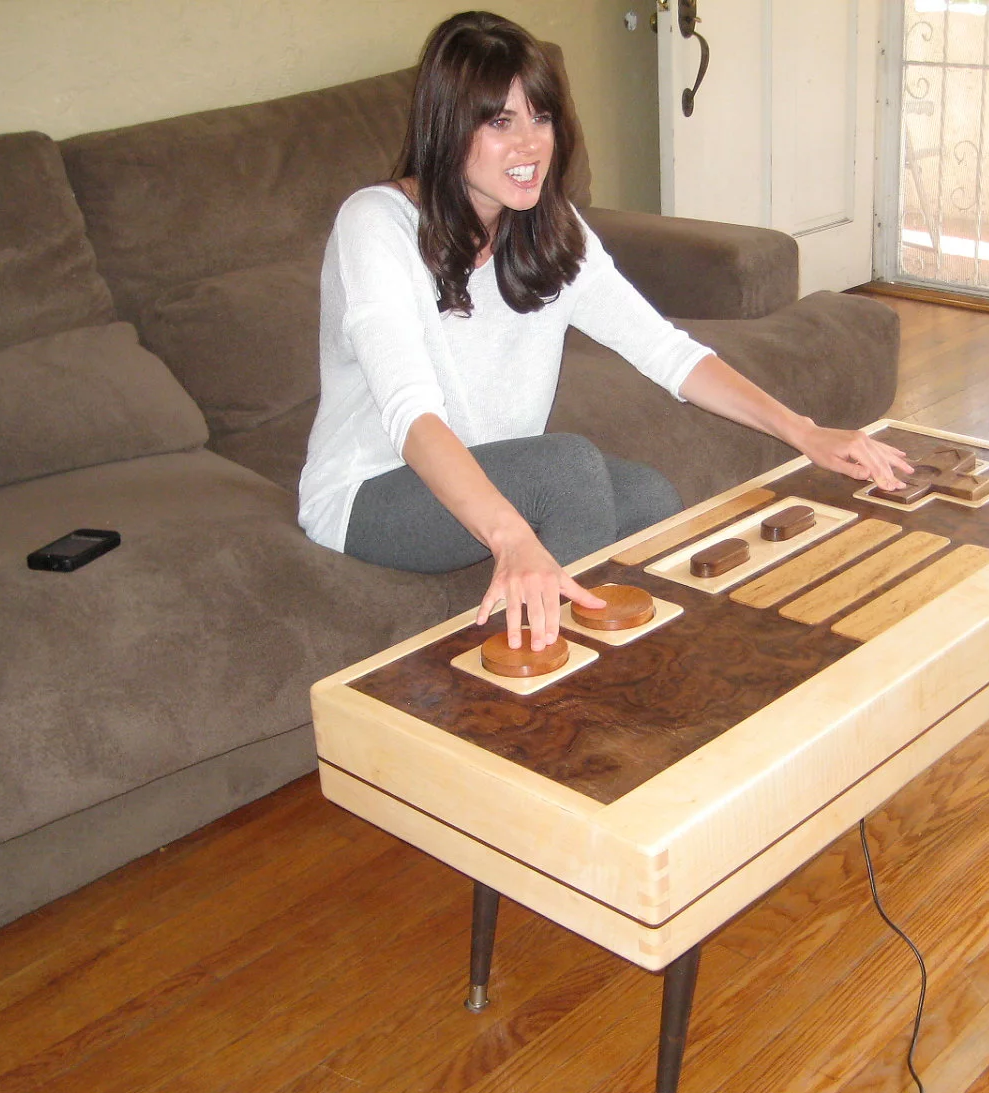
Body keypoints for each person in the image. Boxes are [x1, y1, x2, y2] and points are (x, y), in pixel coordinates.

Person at [299, 10, 909, 653]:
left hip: (495, 466)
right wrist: (514, 541)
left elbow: (664, 350)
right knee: (567, 468)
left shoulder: (547, 226)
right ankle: (555, 698)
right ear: (449, 125)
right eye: (500, 121)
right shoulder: (377, 226)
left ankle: (658, 668)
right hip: (370, 490)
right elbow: (411, 414)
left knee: (648, 496)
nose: (530, 145)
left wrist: (805, 432)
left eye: (541, 118)